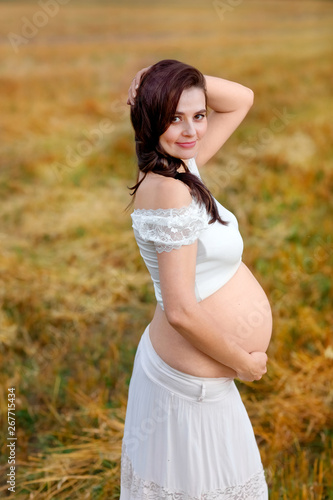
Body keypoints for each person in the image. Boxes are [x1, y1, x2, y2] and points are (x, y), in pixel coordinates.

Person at [120, 59, 273, 499]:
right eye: (173, 117)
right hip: (187, 391)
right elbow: (182, 310)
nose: (191, 130)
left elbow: (241, 99)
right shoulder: (169, 189)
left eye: (198, 115)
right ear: (150, 118)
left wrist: (167, 79)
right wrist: (243, 363)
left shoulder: (181, 163)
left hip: (196, 385)